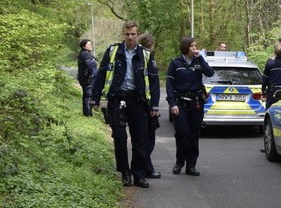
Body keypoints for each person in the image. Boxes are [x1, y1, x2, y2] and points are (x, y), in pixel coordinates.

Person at [89, 22, 160, 188]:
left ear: (137, 34)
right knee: (120, 138)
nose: (130, 37)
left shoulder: (145, 54)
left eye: (133, 34)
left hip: (138, 101)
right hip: (117, 100)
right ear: (123, 34)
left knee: (139, 140)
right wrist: (95, 98)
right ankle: (125, 172)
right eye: (127, 34)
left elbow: (154, 81)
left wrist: (154, 106)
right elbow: (101, 74)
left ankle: (139, 174)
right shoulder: (113, 51)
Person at [166, 36, 214, 176]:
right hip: (180, 102)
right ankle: (179, 162)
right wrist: (172, 103)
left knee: (194, 135)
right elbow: (169, 85)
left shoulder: (198, 61)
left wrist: (200, 58)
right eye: (192, 46)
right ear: (186, 47)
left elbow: (210, 73)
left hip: (196, 102)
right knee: (181, 133)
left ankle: (191, 165)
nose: (194, 48)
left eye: (196, 45)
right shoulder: (175, 62)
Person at [138, 32, 161, 179]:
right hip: (146, 104)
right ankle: (146, 168)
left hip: (138, 102)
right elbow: (154, 85)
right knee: (148, 138)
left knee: (141, 138)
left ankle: (145, 167)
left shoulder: (134, 56)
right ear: (150, 44)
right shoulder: (147, 57)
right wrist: (154, 106)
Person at [77, 38, 98, 117]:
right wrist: (93, 75)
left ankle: (88, 113)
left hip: (85, 78)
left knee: (87, 95)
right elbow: (90, 65)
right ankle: (88, 114)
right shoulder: (85, 54)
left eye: (91, 44)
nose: (91, 46)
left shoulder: (84, 53)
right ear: (83, 46)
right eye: (89, 45)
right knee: (88, 96)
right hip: (87, 79)